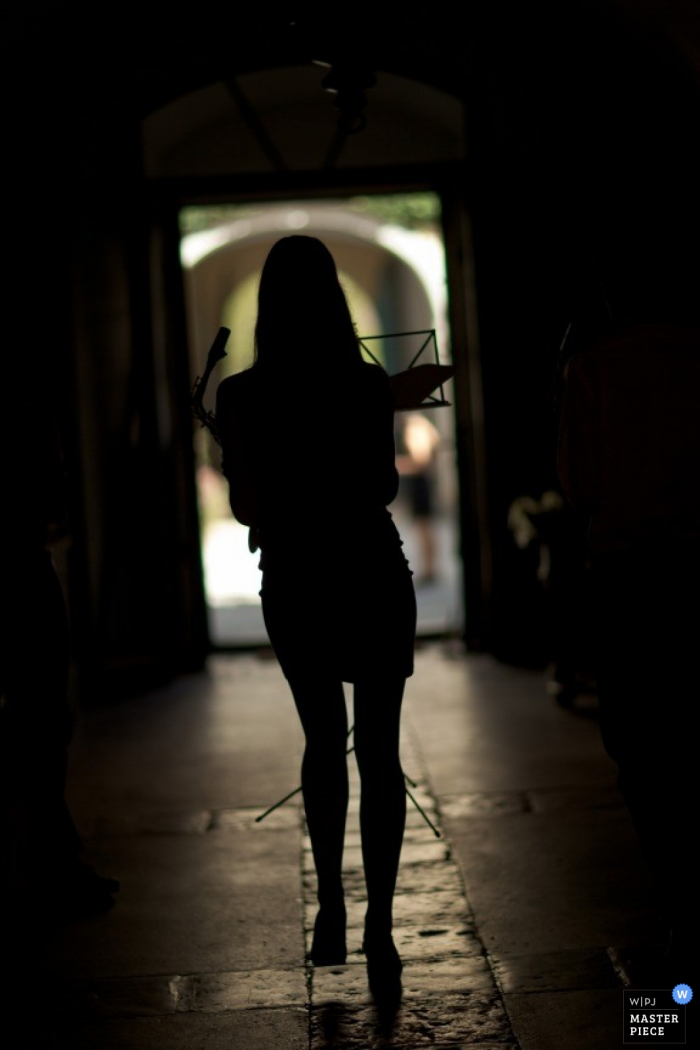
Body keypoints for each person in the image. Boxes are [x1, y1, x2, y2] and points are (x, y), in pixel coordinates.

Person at [215, 236, 417, 998]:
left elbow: (245, 508)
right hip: (370, 570)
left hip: (296, 580)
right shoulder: (365, 385)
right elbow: (385, 488)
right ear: (334, 299)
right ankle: (380, 929)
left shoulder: (240, 396)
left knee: (322, 743)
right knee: (381, 753)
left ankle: (330, 906)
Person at [557, 319, 700, 983]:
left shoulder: (593, 363)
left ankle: (677, 908)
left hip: (628, 572)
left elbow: (579, 482)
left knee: (641, 749)